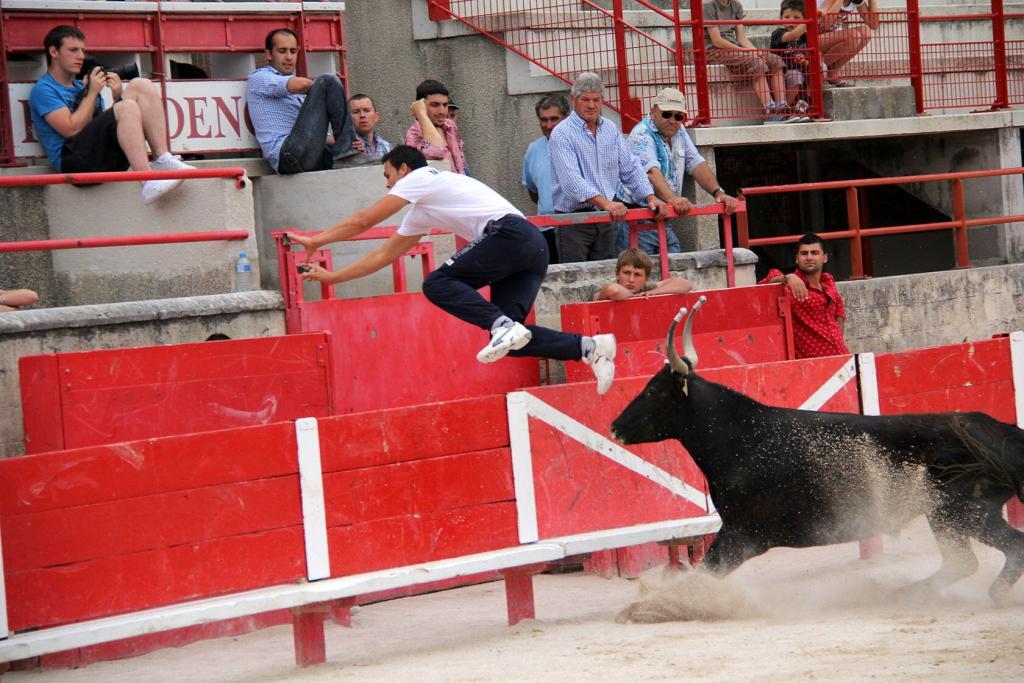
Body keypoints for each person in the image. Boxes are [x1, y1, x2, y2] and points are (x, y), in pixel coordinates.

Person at [288, 145, 617, 394]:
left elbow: (364, 220)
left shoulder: (419, 178)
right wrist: (332, 277)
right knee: (513, 341)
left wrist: (317, 240)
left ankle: (501, 324)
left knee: (436, 283)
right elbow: (384, 256)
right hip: (531, 248)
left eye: (387, 176)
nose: (388, 187)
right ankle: (590, 348)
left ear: (403, 169)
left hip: (510, 236)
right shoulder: (424, 208)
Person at [29, 25, 191, 205]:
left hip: (98, 156)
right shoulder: (44, 90)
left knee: (141, 85)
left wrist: (116, 98)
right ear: (54, 51)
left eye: (83, 50)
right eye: (73, 50)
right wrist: (91, 93)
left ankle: (161, 158)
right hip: (74, 165)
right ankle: (147, 181)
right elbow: (71, 130)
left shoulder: (80, 85)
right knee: (126, 106)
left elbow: (100, 127)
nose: (81, 56)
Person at [548, 72, 667, 263]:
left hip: (607, 219)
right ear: (573, 100)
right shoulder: (562, 133)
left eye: (596, 99)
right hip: (574, 221)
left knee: (606, 277)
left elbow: (630, 167)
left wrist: (651, 198)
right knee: (576, 281)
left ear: (602, 100)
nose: (591, 105)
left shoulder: (610, 128)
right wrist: (606, 203)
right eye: (585, 99)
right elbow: (571, 181)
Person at [615, 87, 741, 255]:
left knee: (673, 268)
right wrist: (674, 199)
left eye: (678, 116)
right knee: (642, 273)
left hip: (660, 215)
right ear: (653, 111)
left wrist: (719, 192)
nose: (673, 120)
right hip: (637, 216)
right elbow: (652, 173)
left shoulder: (679, 131)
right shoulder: (641, 134)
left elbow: (695, 162)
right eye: (667, 114)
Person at [247, 28, 367, 174]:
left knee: (362, 154)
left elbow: (314, 134)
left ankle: (349, 153)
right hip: (287, 156)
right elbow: (302, 84)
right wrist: (322, 88)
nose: (289, 57)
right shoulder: (259, 77)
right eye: (282, 51)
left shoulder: (301, 94)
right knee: (328, 80)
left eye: (293, 51)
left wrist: (347, 143)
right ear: (269, 54)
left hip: (308, 153)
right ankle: (347, 155)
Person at [758, 232, 849, 359]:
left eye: (815, 253)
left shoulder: (828, 282)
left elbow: (839, 315)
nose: (809, 257)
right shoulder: (789, 287)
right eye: (804, 253)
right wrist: (787, 277)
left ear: (825, 258)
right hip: (811, 364)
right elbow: (764, 284)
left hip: (842, 358)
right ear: (797, 259)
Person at [703, 0, 793, 123]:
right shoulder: (708, 6)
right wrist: (745, 52)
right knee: (757, 63)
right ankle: (771, 111)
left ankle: (782, 108)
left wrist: (756, 52)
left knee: (775, 60)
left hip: (735, 49)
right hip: (714, 51)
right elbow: (717, 41)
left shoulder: (736, 5)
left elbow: (741, 37)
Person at [521, 93, 569, 264]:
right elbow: (533, 191)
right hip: (545, 229)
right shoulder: (533, 150)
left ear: (566, 117)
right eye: (543, 120)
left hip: (574, 227)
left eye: (554, 119)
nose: (548, 125)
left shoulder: (579, 143)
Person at [405, 80, 467, 175]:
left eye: (445, 105)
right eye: (435, 105)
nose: (442, 111)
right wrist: (421, 114)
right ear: (421, 105)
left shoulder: (450, 126)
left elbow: (461, 162)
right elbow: (436, 151)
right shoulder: (414, 134)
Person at [818, 0, 878, 87]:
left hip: (825, 38)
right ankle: (820, 70)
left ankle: (831, 73)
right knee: (854, 36)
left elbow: (873, 25)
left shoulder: (855, 1)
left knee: (866, 33)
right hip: (810, 39)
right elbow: (826, 24)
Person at [593, 249, 692, 301]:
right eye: (626, 273)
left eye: (637, 275)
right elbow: (613, 290)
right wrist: (637, 298)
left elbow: (686, 284)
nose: (631, 280)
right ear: (617, 274)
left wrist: (653, 293)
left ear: (646, 278)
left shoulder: (646, 288)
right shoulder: (601, 290)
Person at [770, 0, 813, 120]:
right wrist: (809, 20)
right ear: (780, 18)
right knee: (795, 75)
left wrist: (804, 61)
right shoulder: (778, 33)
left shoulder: (805, 37)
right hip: (781, 75)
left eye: (796, 17)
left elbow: (809, 59)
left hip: (801, 74)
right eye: (787, 17)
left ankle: (802, 104)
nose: (791, 21)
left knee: (820, 67)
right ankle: (782, 113)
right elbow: (793, 35)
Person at [349, 93, 392, 159]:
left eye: (366, 110)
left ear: (376, 116)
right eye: (356, 112)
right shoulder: (346, 147)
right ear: (347, 119)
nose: (362, 115)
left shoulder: (387, 147)